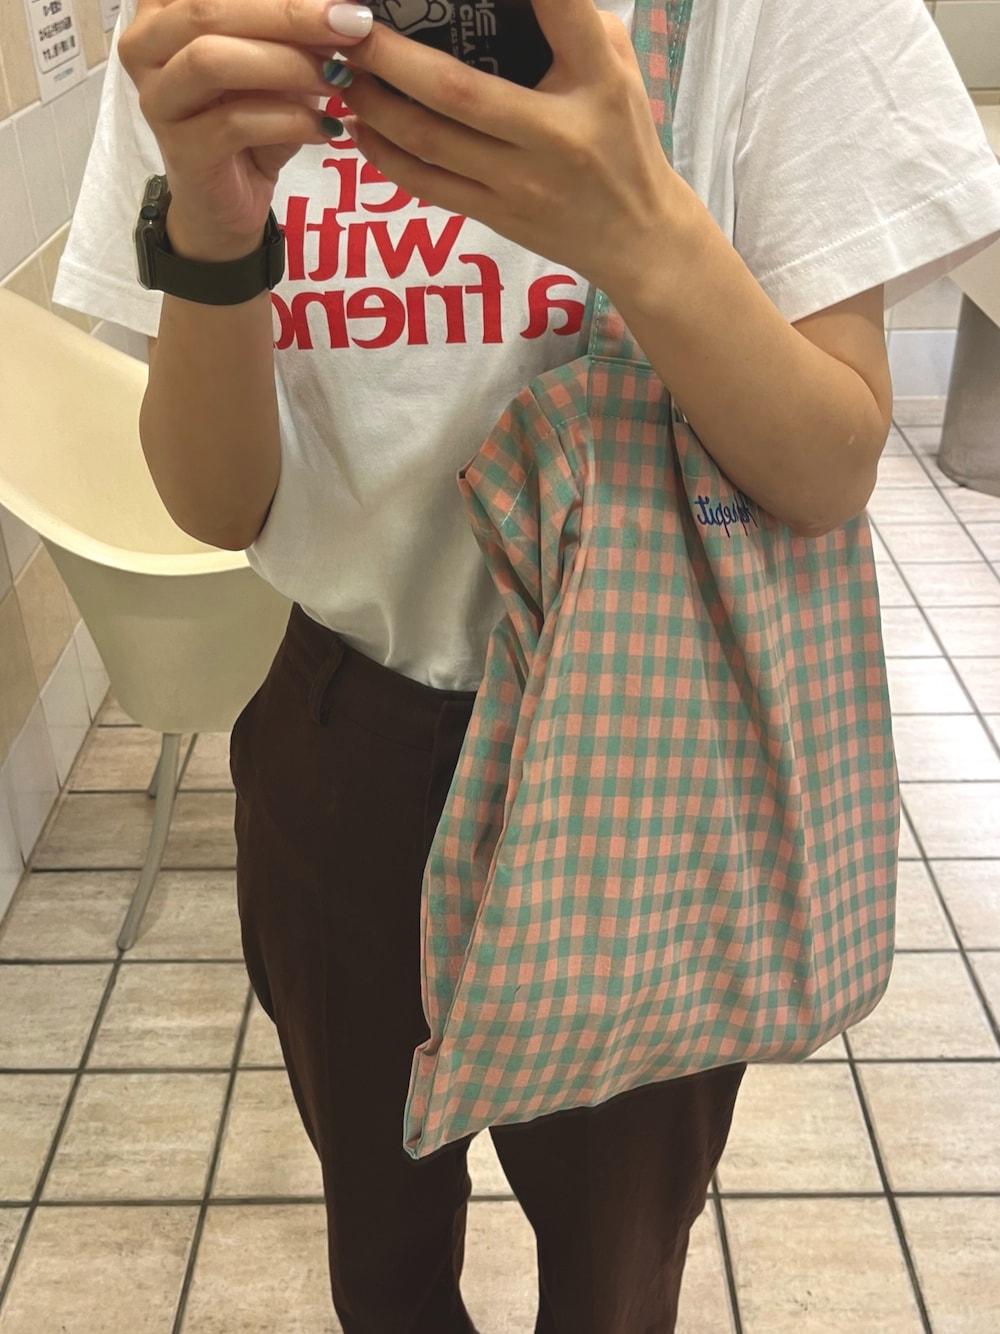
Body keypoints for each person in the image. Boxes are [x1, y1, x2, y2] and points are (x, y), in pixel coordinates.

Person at [54, 0, 1000, 1329]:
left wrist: (639, 231)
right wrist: (213, 236)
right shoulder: (203, 24)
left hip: (651, 758)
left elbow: (828, 468)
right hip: (350, 732)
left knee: (616, 1274)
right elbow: (220, 505)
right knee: (381, 1260)